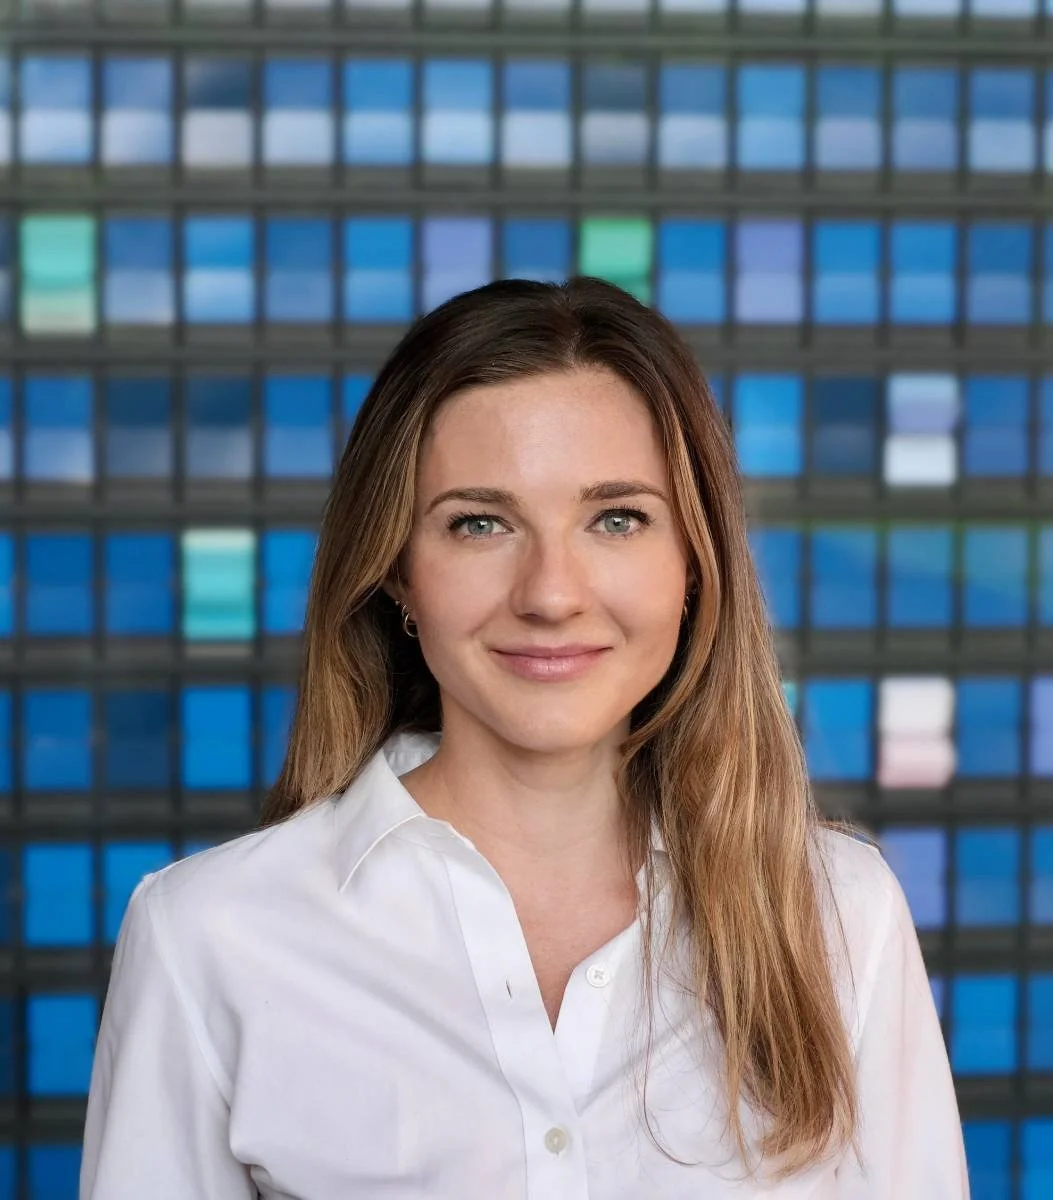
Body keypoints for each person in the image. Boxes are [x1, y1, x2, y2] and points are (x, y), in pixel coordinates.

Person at [80, 276, 970, 1199]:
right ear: (396, 574)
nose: (550, 594)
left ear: (693, 564)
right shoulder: (207, 938)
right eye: (479, 523)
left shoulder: (842, 918)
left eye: (616, 518)